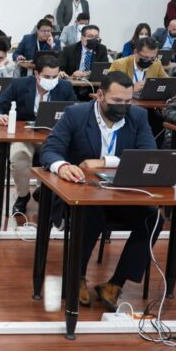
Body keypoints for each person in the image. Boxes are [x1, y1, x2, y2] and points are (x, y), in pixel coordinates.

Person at [40, 71, 163, 311]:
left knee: (153, 218)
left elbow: (148, 153)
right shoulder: (76, 114)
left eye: (128, 101)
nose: (123, 107)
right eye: (117, 101)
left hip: (120, 195)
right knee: (91, 214)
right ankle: (76, 277)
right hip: (79, 194)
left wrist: (104, 161)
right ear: (99, 95)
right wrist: (63, 166)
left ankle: (115, 284)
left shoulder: (137, 116)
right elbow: (50, 150)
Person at [0, 54, 76, 214]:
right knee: (18, 155)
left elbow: (75, 112)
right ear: (36, 74)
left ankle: (44, 192)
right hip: (24, 137)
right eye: (47, 76)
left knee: (65, 156)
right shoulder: (19, 85)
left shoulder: (65, 87)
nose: (52, 80)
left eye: (55, 76)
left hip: (52, 138)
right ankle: (23, 196)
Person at [110, 37, 168, 147]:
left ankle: (153, 154)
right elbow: (111, 89)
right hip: (123, 107)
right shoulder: (119, 64)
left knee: (160, 121)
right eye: (145, 57)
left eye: (152, 58)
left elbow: (166, 82)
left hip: (147, 107)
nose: (149, 61)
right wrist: (132, 88)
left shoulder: (156, 64)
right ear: (136, 52)